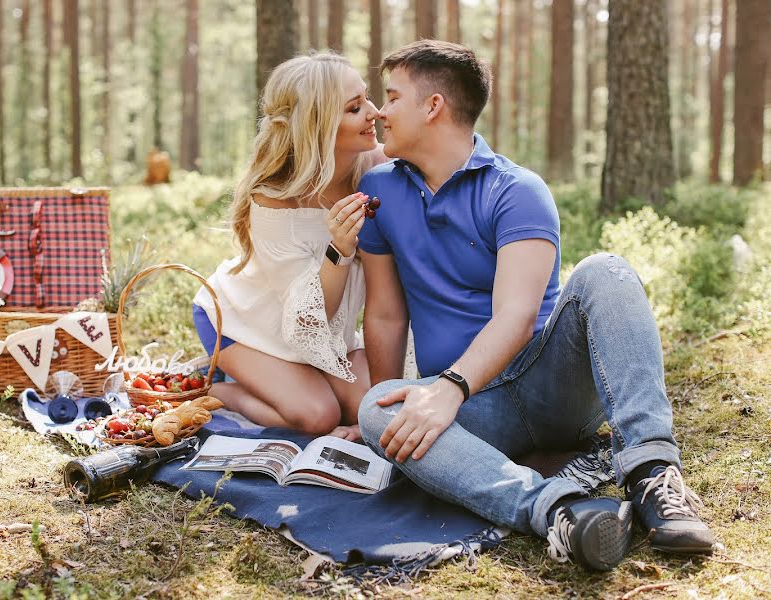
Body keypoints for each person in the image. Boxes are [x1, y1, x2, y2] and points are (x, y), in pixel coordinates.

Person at [355, 40, 714, 571]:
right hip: (476, 414)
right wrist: (388, 423)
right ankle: (559, 513)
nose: (380, 112)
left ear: (432, 107)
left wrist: (448, 390)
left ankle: (652, 475)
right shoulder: (378, 190)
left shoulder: (517, 190)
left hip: (550, 387)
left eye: (391, 96)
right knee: (376, 407)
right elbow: (386, 313)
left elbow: (516, 318)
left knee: (606, 270)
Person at [192, 53, 386, 439]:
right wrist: (340, 249)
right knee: (318, 416)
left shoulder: (375, 166)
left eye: (367, 98)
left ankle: (302, 377)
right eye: (354, 108)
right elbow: (309, 320)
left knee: (367, 408)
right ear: (319, 127)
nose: (374, 112)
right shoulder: (275, 199)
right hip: (246, 323)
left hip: (332, 337)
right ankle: (222, 389)